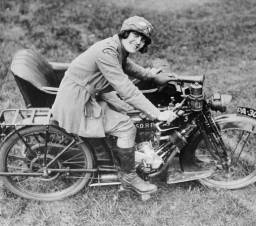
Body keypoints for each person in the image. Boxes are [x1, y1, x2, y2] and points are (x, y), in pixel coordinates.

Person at [51, 16, 177, 195]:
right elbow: (125, 88)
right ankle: (129, 177)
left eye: (143, 40)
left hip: (88, 94)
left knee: (129, 111)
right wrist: (157, 113)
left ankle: (132, 155)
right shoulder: (107, 51)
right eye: (136, 35)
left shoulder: (116, 48)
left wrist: (150, 76)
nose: (138, 42)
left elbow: (130, 67)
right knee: (126, 127)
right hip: (77, 101)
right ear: (125, 32)